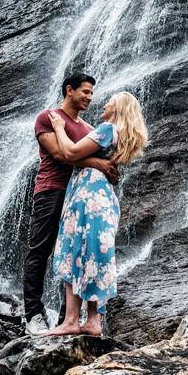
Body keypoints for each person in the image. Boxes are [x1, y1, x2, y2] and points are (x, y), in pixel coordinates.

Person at [41, 91, 149, 336]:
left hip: (87, 195)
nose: (104, 102)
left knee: (74, 249)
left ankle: (70, 321)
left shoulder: (107, 129)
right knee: (94, 255)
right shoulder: (123, 136)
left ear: (119, 107)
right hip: (105, 198)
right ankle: (93, 321)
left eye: (110, 99)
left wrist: (59, 127)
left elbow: (70, 154)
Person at [22, 72, 115, 329]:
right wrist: (98, 162)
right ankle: (33, 314)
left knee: (75, 253)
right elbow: (61, 154)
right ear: (69, 90)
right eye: (85, 92)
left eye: (92, 94)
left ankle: (67, 319)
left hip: (81, 196)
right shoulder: (49, 118)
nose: (89, 98)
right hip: (51, 190)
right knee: (40, 250)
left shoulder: (88, 129)